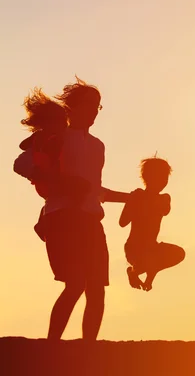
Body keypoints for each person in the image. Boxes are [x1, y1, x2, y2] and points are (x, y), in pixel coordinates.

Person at [40, 76, 130, 340]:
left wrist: (132, 199)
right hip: (62, 219)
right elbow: (34, 170)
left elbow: (96, 192)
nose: (94, 111)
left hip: (91, 222)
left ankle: (88, 350)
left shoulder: (97, 146)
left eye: (98, 106)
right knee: (75, 284)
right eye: (89, 104)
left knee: (97, 289)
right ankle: (51, 346)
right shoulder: (57, 138)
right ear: (73, 106)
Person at [13, 88, 89, 241]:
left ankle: (44, 220)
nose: (62, 125)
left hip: (54, 181)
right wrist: (37, 173)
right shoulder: (44, 139)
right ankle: (44, 222)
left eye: (63, 121)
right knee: (79, 188)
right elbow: (19, 163)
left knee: (77, 189)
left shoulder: (58, 138)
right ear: (46, 123)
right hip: (49, 179)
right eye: (59, 121)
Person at [119, 156, 185, 292]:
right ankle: (134, 271)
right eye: (159, 177)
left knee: (178, 253)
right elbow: (123, 222)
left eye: (165, 178)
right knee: (149, 258)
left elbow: (165, 209)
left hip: (152, 247)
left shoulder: (164, 198)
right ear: (146, 177)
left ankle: (136, 272)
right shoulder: (137, 196)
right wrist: (133, 202)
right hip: (134, 249)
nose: (162, 182)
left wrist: (149, 280)